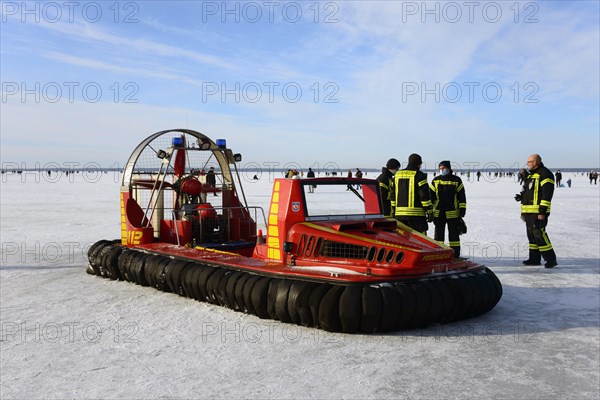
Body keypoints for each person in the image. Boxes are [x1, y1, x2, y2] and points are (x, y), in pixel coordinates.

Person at [514, 154, 557, 268]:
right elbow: (529, 190)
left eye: (529, 162)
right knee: (531, 235)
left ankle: (551, 259)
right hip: (528, 211)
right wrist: (521, 196)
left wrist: (542, 212)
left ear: (535, 162)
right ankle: (534, 259)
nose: (527, 164)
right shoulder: (532, 175)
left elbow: (547, 195)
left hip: (538, 212)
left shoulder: (545, 174)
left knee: (539, 234)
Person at [430, 161, 466, 258]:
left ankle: (455, 255)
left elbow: (461, 196)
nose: (442, 170)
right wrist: (429, 211)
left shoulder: (457, 180)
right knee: (438, 237)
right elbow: (431, 197)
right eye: (441, 168)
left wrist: (462, 209)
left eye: (444, 168)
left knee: (454, 236)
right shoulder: (435, 180)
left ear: (449, 168)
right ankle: (438, 254)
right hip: (439, 213)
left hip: (453, 213)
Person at [394, 153, 432, 234]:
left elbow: (392, 195)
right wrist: (429, 210)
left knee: (402, 240)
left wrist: (393, 210)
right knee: (420, 240)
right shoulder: (419, 175)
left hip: (399, 215)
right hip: (416, 217)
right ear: (419, 164)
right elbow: (424, 196)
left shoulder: (397, 175)